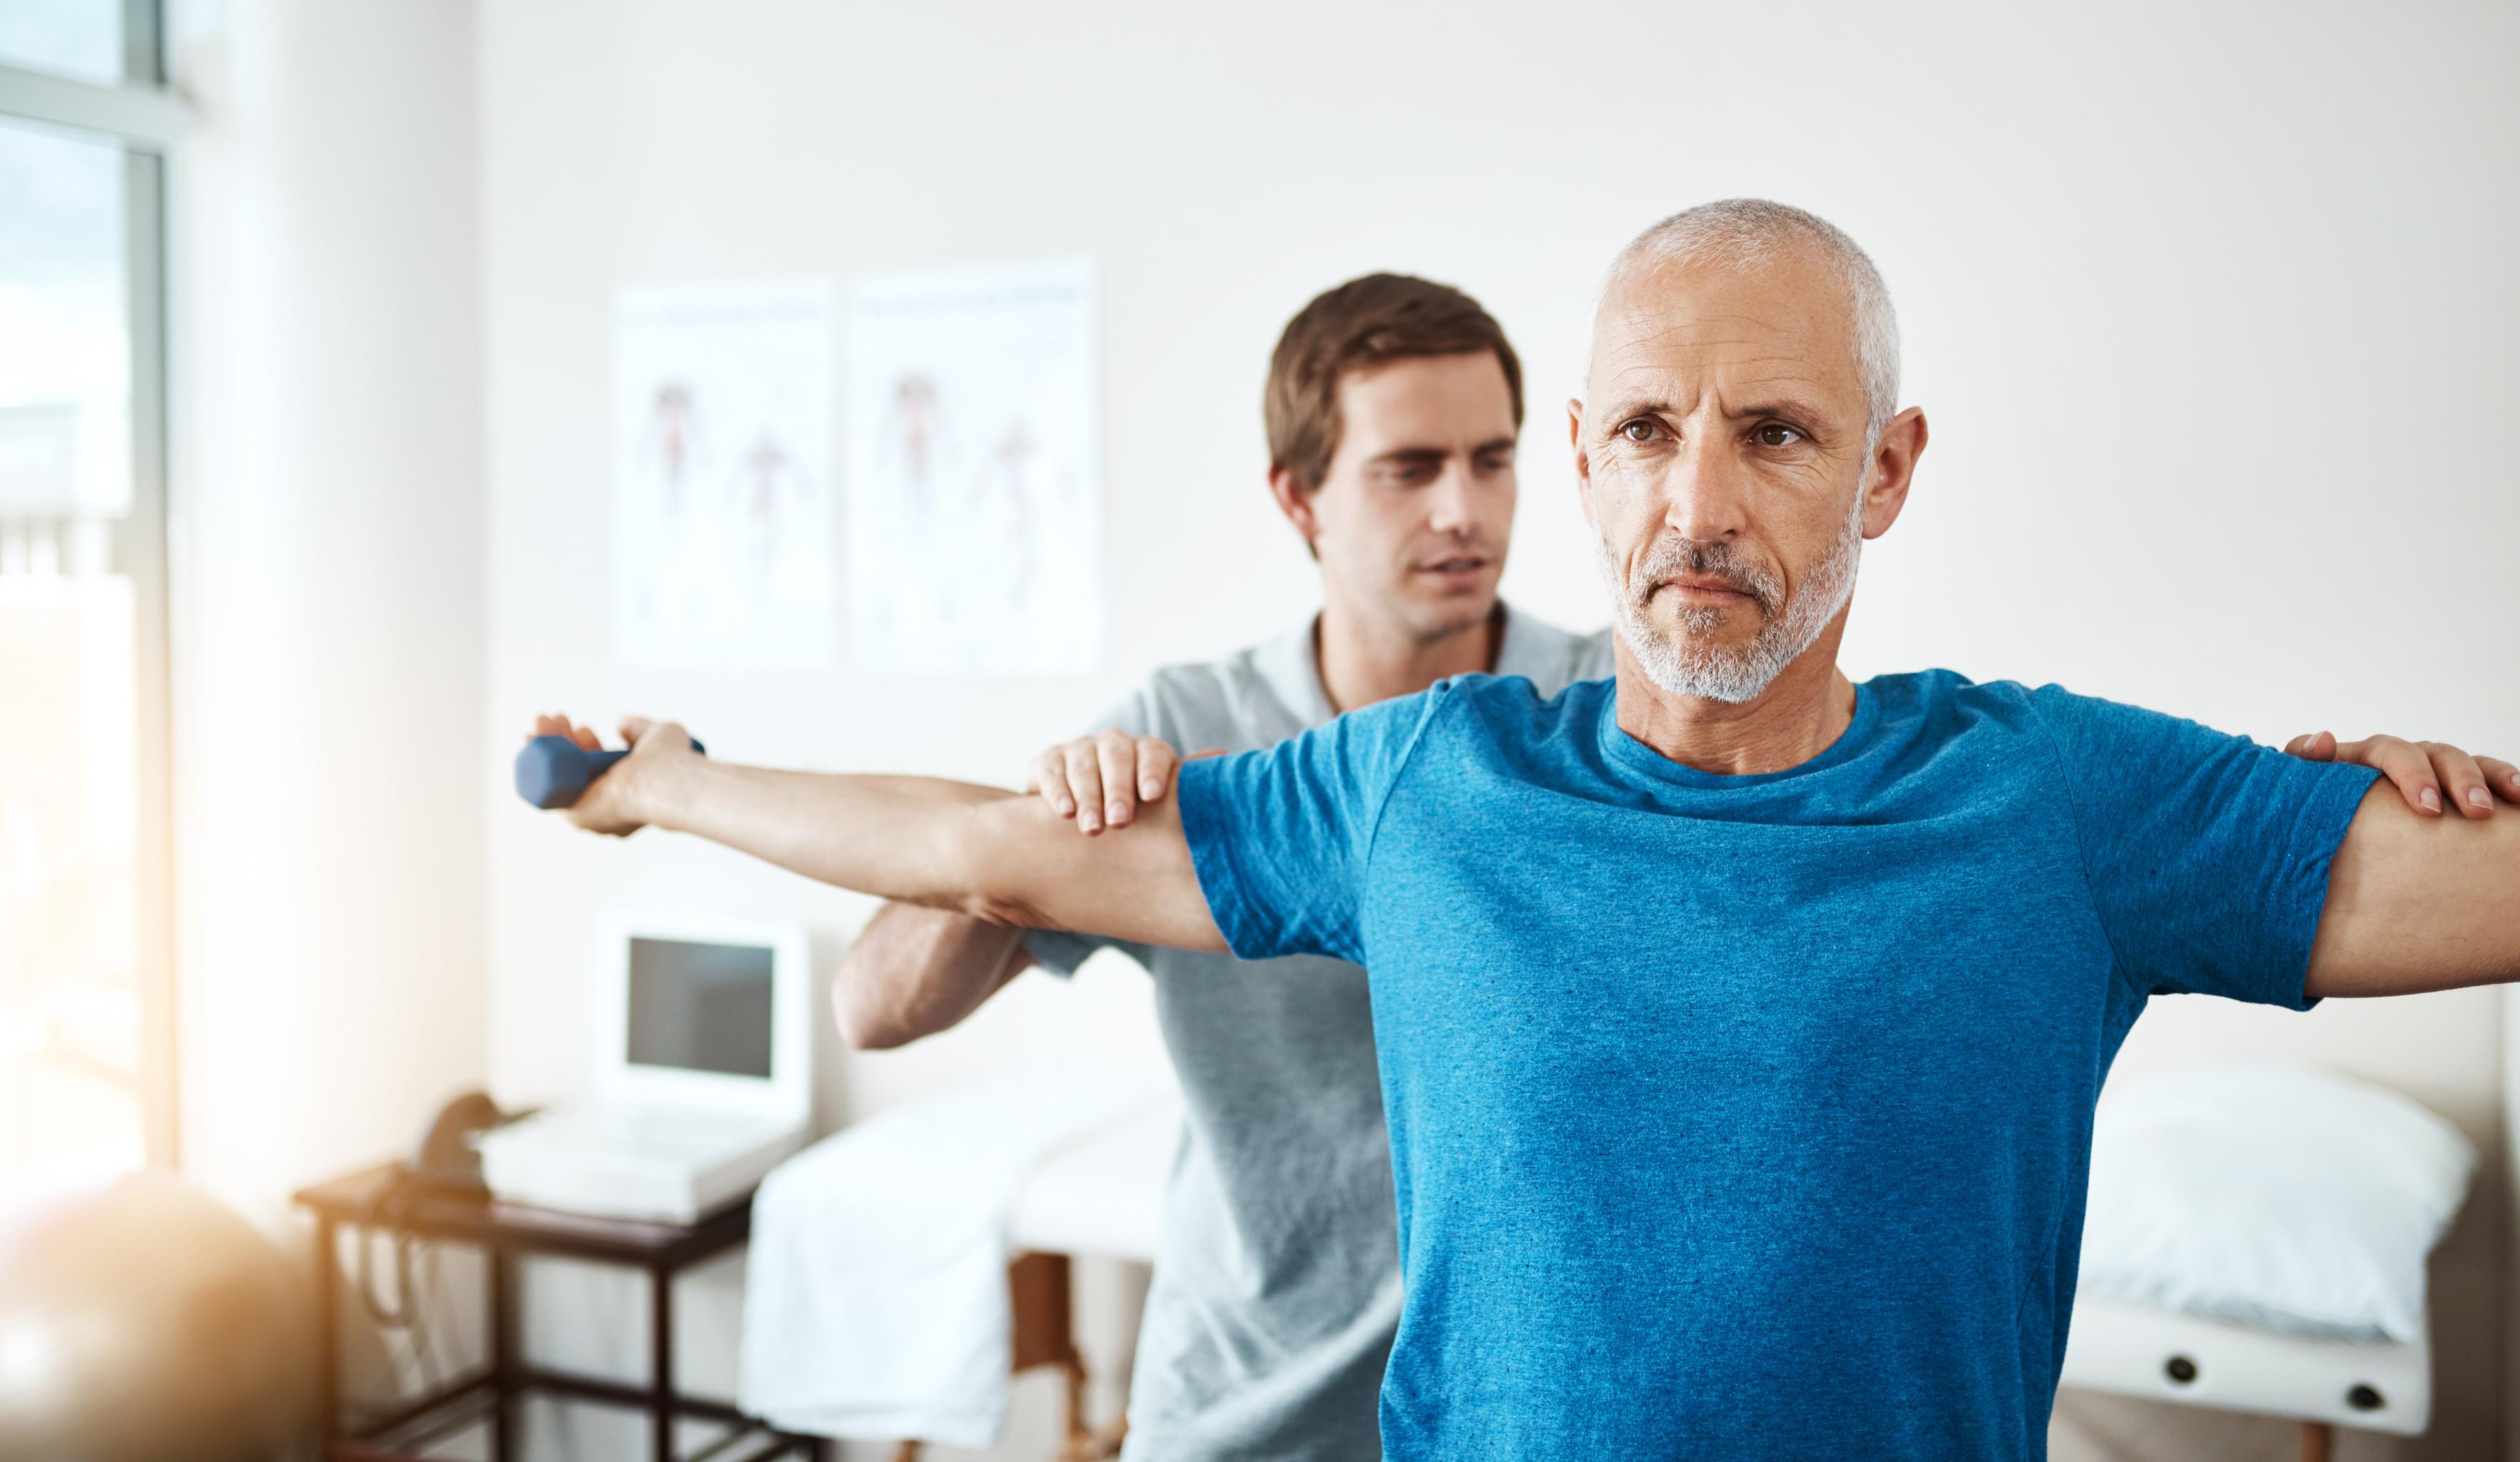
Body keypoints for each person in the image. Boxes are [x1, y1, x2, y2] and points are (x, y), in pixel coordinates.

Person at [532, 200, 2520, 1461]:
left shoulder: (2060, 798)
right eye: (1645, 431)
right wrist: (660, 781)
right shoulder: (1421, 775)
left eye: (1775, 432)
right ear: (1593, 457)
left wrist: (2427, 792)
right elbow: (974, 851)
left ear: (1887, 471)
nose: (1696, 505)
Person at [835, 273, 1610, 1462]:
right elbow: (876, 1006)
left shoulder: (1605, 711)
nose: (1464, 509)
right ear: (1299, 495)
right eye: (1409, 469)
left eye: (1492, 460)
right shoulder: (1192, 729)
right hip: (1243, 1413)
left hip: (1520, 1411)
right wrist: (1037, 826)